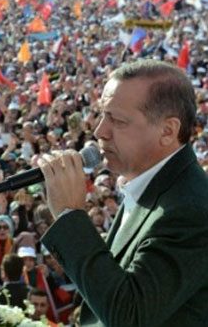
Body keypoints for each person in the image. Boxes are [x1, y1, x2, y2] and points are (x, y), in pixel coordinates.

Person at [38, 60, 208, 326]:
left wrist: (71, 216)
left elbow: (130, 315)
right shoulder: (150, 185)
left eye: (117, 120)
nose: (99, 131)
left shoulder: (192, 209)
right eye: (103, 115)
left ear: (167, 131)